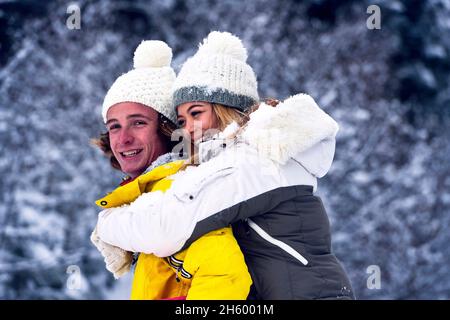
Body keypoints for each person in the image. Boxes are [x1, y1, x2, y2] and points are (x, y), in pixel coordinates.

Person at [96, 31, 355, 299]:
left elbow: (169, 227)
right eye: (182, 120)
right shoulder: (238, 159)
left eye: (197, 113)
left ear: (226, 108)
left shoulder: (255, 161)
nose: (188, 129)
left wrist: (108, 222)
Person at [90, 39, 252, 300]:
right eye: (114, 126)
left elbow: (225, 272)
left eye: (138, 123)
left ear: (169, 130)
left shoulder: (177, 191)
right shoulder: (154, 191)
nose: (123, 139)